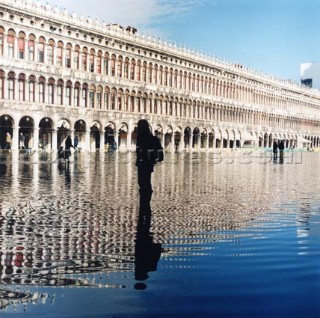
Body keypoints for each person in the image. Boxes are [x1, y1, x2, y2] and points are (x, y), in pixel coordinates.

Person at [136, 119, 156, 206]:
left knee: (143, 183)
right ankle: (145, 203)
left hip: (144, 163)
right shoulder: (148, 137)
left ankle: (145, 203)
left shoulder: (143, 138)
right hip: (147, 163)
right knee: (146, 182)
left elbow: (141, 151)